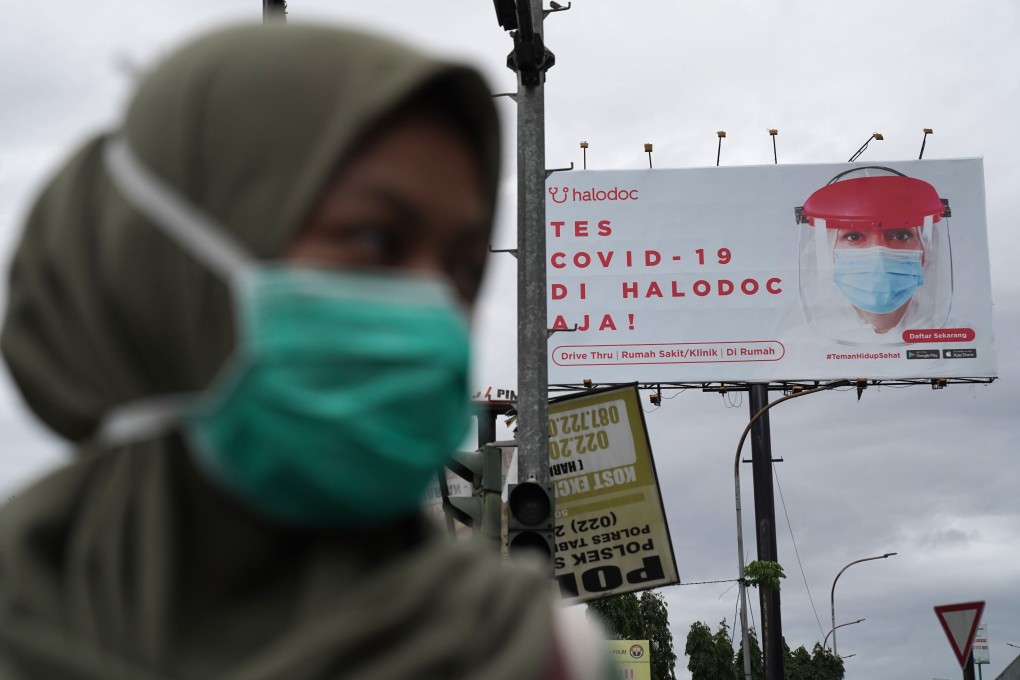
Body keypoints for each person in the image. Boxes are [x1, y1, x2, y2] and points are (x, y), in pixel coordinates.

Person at [0, 23, 610, 679]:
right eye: (375, 242)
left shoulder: (539, 656)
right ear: (163, 268)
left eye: (462, 270)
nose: (434, 310)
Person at [796, 166, 953, 343]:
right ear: (828, 253)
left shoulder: (967, 344)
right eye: (853, 236)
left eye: (900, 235)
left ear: (926, 250)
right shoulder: (798, 351)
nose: (880, 254)